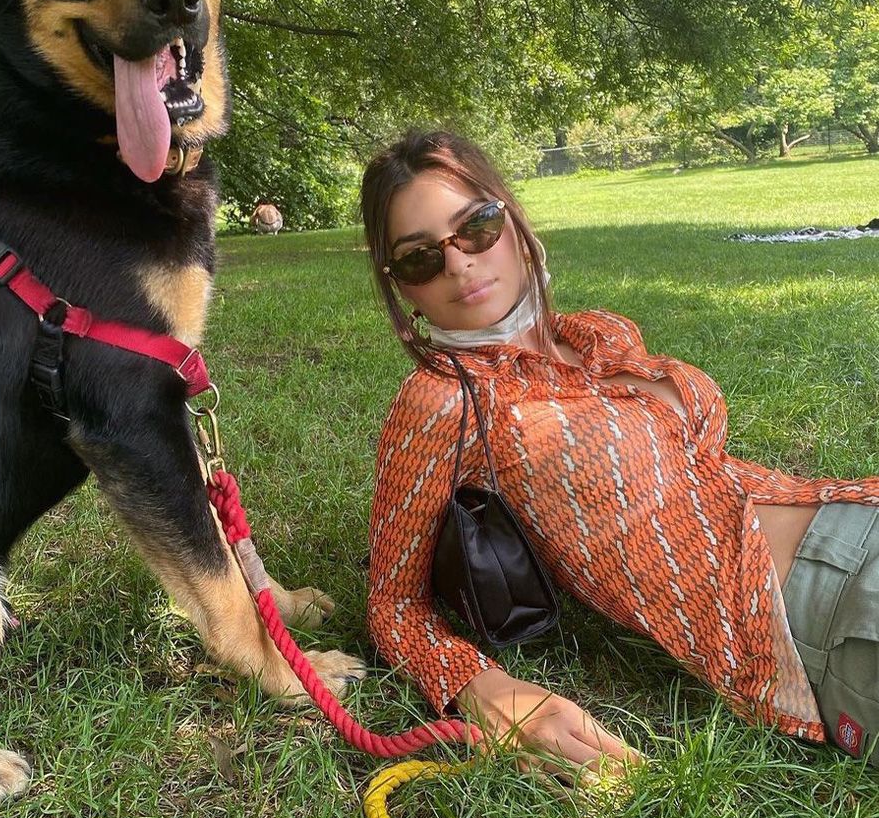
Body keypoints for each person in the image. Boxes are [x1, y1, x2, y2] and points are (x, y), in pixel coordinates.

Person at [360, 129, 879, 779]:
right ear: (403, 289)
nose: (459, 264)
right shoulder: (444, 397)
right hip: (818, 613)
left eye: (477, 227)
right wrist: (487, 690)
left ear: (514, 221)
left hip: (851, 513)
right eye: (420, 259)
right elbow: (393, 605)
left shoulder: (599, 334)